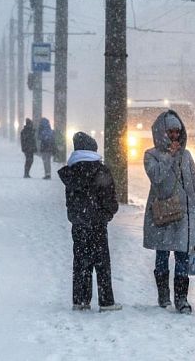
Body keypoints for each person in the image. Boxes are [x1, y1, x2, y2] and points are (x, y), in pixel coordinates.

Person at [143, 110, 195, 314]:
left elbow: (194, 182)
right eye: (171, 132)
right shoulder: (151, 155)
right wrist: (168, 156)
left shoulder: (186, 155)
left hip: (185, 214)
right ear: (162, 132)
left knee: (182, 256)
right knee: (162, 254)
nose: (175, 136)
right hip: (163, 213)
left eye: (178, 132)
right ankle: (163, 295)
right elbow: (156, 177)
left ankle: (181, 298)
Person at [58, 132, 122, 312]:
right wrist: (107, 214)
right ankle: (106, 301)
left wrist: (77, 216)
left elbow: (70, 201)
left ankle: (80, 300)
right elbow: (110, 199)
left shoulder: (72, 172)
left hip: (79, 223)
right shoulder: (101, 171)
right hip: (98, 223)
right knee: (102, 263)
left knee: (80, 262)